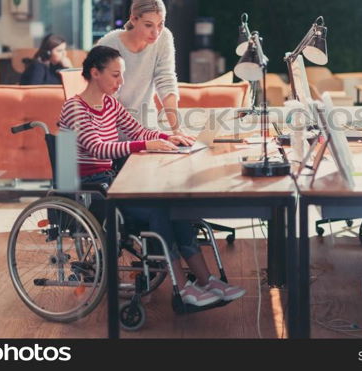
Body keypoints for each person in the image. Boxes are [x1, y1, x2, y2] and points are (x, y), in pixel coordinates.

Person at [59, 46, 245, 307]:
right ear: (95, 73)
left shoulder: (110, 103)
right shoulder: (75, 108)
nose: (121, 82)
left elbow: (137, 131)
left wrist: (169, 137)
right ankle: (182, 288)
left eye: (121, 76)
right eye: (115, 76)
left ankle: (205, 280)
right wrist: (145, 145)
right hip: (90, 193)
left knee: (174, 207)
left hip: (110, 183)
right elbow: (97, 148)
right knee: (159, 211)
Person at [96, 0, 193, 141]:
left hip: (148, 129)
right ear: (134, 19)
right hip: (112, 135)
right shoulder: (109, 45)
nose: (156, 32)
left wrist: (176, 130)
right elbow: (106, 100)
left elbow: (166, 81)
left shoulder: (164, 37)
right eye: (148, 25)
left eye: (161, 24)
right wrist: (144, 137)